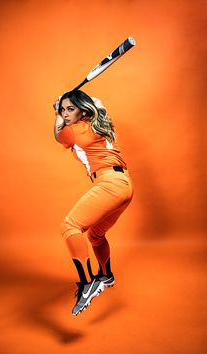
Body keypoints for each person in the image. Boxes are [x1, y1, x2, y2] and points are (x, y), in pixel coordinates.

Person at [53, 90, 133, 316]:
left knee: (69, 226)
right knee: (95, 235)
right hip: (125, 184)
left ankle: (87, 284)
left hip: (110, 183)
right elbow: (98, 103)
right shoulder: (100, 121)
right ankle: (106, 276)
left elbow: (58, 134)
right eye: (63, 110)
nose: (65, 114)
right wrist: (67, 105)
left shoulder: (75, 130)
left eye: (70, 109)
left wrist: (55, 111)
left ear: (82, 110)